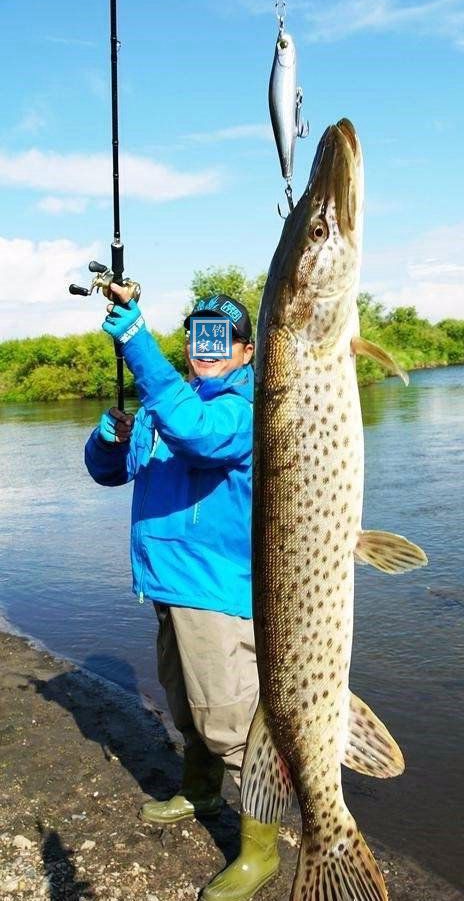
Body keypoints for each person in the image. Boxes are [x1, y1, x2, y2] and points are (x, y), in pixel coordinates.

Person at [84, 286, 279, 901]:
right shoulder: (171, 404)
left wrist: (136, 340)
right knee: (186, 703)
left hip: (219, 593)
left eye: (221, 338)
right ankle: (199, 792)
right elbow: (110, 472)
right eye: (198, 336)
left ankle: (260, 851)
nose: (208, 349)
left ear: (246, 351)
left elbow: (200, 437)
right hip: (167, 584)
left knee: (230, 724)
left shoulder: (248, 408)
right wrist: (110, 438)